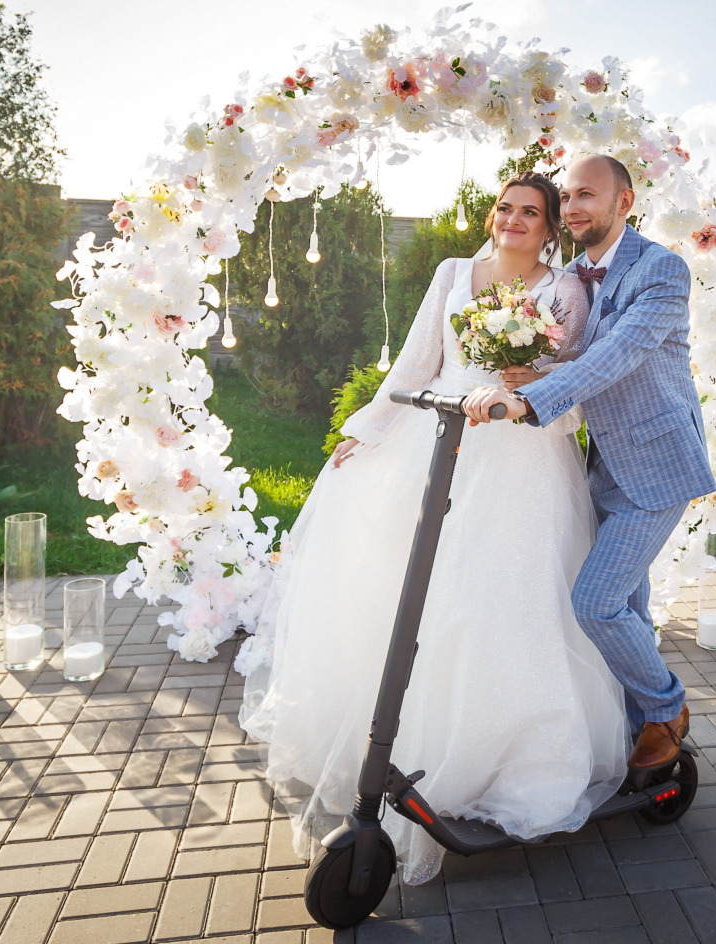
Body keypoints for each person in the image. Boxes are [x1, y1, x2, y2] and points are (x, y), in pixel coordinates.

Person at [238, 172, 628, 885]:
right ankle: (393, 746)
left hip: (519, 464)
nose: (513, 220)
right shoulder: (453, 273)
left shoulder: (567, 292)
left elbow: (571, 402)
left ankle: (498, 755)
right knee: (408, 592)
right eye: (505, 208)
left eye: (531, 213)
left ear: (549, 229)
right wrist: (367, 430)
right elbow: (417, 363)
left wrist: (521, 379)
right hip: (436, 439)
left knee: (496, 601)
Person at [464, 153, 716, 779]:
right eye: (569, 197)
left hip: (657, 467)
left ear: (623, 203)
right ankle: (639, 737)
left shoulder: (662, 270)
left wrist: (532, 398)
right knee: (630, 606)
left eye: (588, 196)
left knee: (597, 604)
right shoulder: (571, 277)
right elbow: (572, 356)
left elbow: (618, 355)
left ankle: (667, 709)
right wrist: (529, 371)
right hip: (597, 467)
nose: (574, 207)